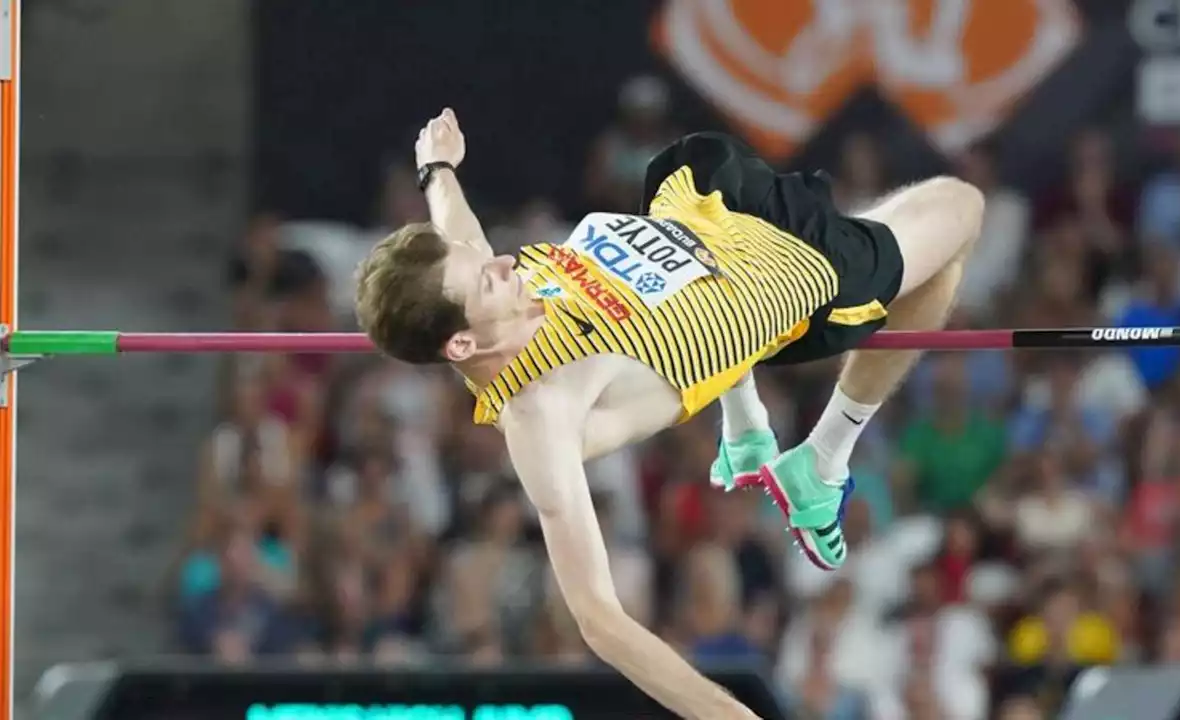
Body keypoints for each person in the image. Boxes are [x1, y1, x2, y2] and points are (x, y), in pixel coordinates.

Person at [356, 109, 982, 718]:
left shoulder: (486, 300)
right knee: (961, 208)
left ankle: (743, 422)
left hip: (702, 207)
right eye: (486, 280)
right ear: (461, 345)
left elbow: (458, 232)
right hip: (800, 273)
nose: (502, 261)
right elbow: (600, 622)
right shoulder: (543, 410)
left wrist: (437, 167)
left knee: (690, 157)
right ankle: (821, 461)